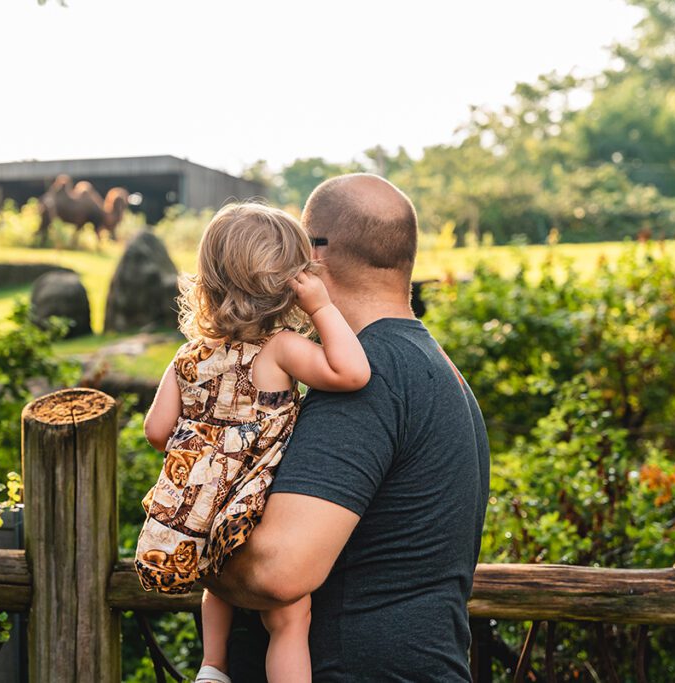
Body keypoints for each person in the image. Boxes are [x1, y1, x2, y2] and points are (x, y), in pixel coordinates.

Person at [202, 174, 492, 681]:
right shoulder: (435, 364)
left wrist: (186, 544)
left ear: (316, 254)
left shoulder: (369, 375)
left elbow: (279, 572)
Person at [135, 202, 372, 683]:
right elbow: (353, 373)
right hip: (255, 509)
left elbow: (156, 432)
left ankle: (212, 666)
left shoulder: (187, 356)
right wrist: (322, 308)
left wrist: (205, 452)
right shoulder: (279, 349)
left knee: (217, 585)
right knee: (290, 619)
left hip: (202, 509)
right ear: (290, 285)